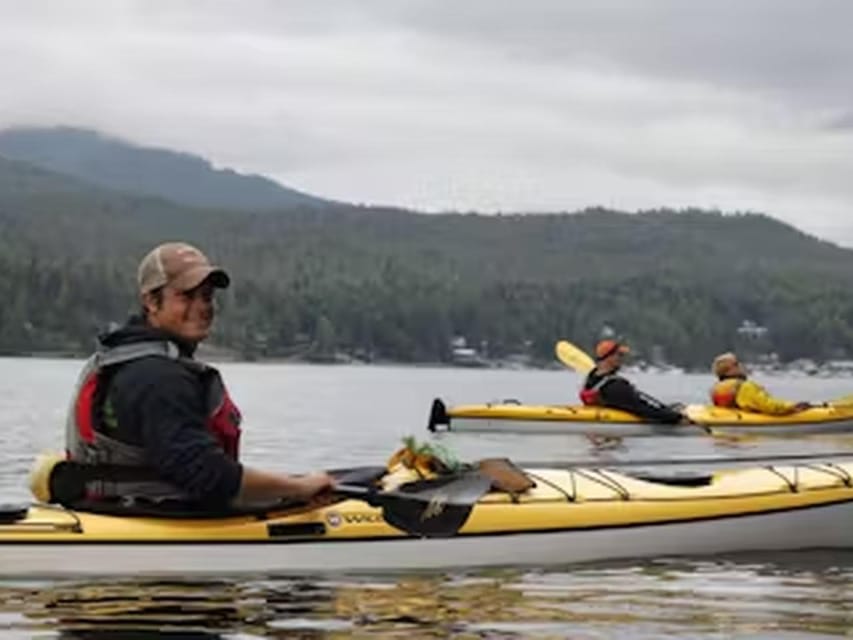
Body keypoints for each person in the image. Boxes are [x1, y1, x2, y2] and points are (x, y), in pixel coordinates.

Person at [63, 241, 333, 510]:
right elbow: (208, 474)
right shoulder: (159, 376)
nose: (202, 306)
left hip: (115, 508)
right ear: (151, 301)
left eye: (206, 296)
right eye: (186, 295)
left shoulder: (124, 358)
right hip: (149, 520)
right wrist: (299, 488)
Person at [580, 339, 687, 425]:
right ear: (609, 358)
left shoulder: (592, 378)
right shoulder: (616, 386)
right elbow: (643, 410)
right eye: (620, 355)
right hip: (616, 426)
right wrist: (676, 418)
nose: (622, 358)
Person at [710, 352, 811, 415]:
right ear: (728, 370)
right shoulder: (745, 387)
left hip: (734, 421)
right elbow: (770, 406)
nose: (741, 365)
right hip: (750, 425)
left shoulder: (716, 388)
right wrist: (793, 406)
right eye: (736, 364)